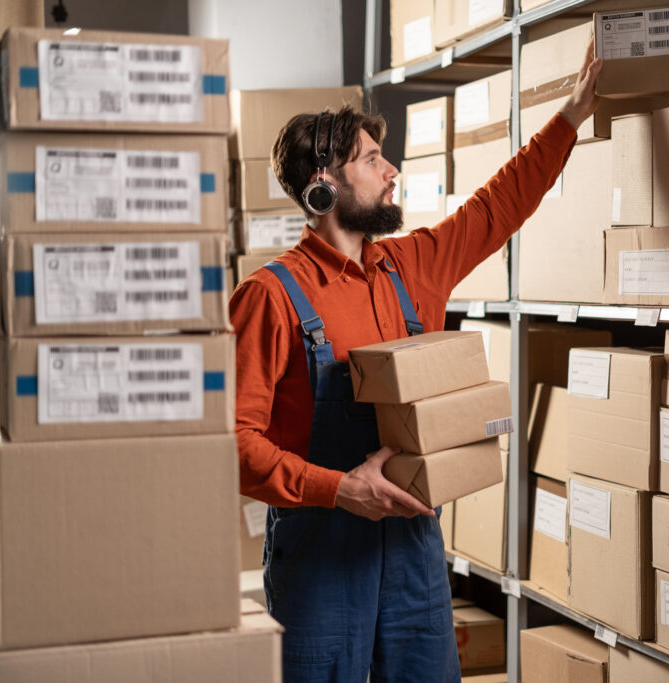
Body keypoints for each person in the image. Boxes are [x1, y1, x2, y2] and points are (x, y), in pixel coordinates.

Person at [229, 43, 603, 683]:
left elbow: (499, 204)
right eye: (372, 160)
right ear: (325, 186)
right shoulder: (269, 297)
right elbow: (230, 445)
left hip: (412, 552)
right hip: (320, 560)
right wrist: (340, 487)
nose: (392, 169)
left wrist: (573, 112)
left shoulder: (411, 267)